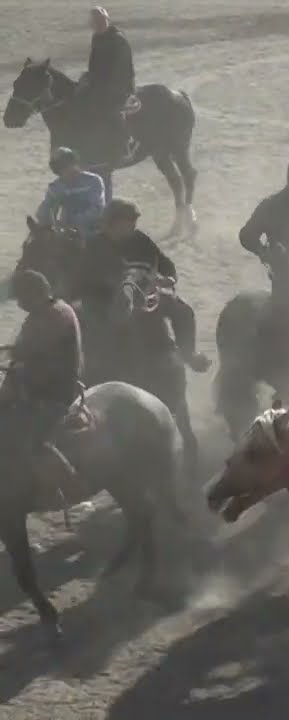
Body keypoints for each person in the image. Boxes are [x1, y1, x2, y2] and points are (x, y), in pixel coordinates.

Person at [82, 199, 209, 372]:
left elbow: (166, 265)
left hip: (146, 296)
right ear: (111, 223)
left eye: (133, 221)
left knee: (183, 310)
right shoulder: (95, 245)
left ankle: (189, 354)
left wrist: (169, 279)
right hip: (105, 300)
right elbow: (84, 277)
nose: (132, 225)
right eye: (126, 221)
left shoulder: (141, 240)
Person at [1, 270, 84, 498]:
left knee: (35, 441)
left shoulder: (57, 315)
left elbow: (27, 351)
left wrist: (13, 360)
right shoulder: (41, 314)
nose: (20, 304)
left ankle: (70, 486)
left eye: (22, 298)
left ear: (36, 294)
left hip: (54, 393)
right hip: (33, 385)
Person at [79, 7, 135, 164]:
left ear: (107, 21)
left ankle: (124, 144)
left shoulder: (118, 40)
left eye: (102, 21)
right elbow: (94, 63)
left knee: (110, 108)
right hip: (100, 83)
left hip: (119, 85)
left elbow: (122, 68)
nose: (99, 24)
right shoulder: (97, 38)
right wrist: (88, 77)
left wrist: (102, 84)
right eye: (96, 22)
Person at [35, 147, 106, 239]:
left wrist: (73, 220)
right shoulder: (56, 187)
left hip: (93, 230)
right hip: (67, 233)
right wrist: (48, 220)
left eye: (70, 164)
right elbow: (44, 210)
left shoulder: (93, 181)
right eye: (63, 167)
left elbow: (98, 209)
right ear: (57, 170)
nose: (69, 169)